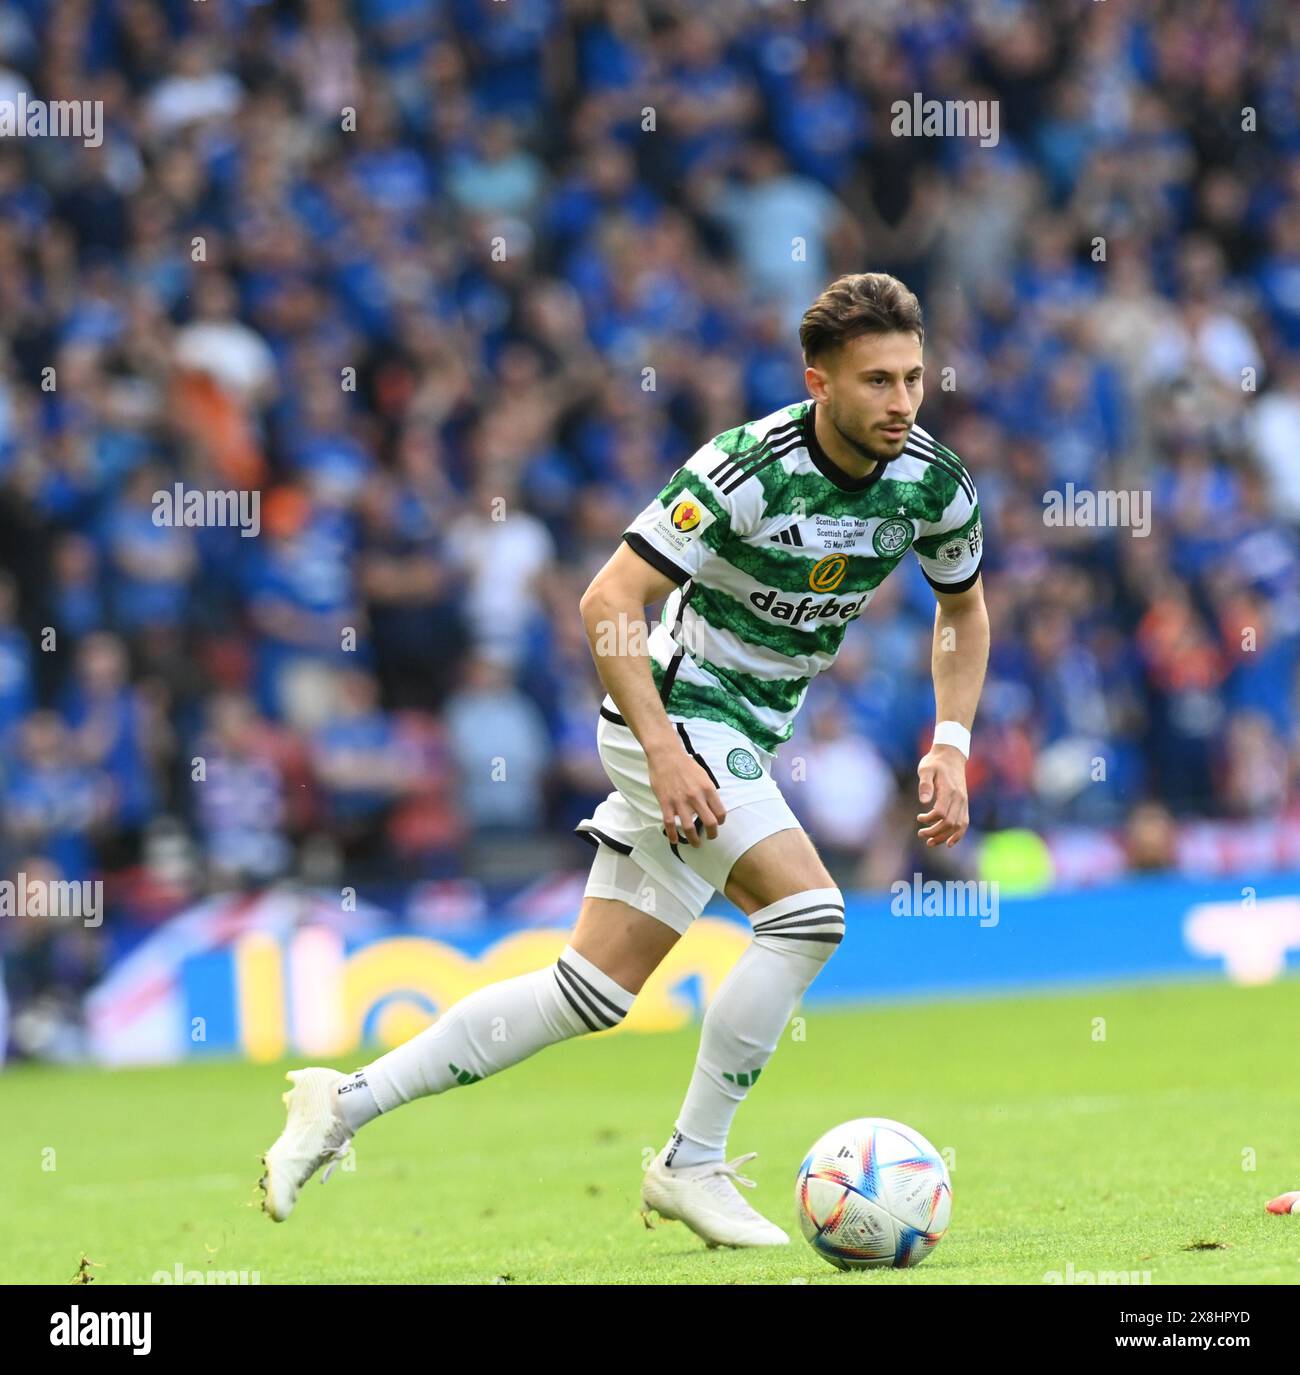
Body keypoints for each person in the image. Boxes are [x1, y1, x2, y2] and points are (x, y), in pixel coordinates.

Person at [258, 272, 990, 1249]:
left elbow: (963, 610)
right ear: (819, 383)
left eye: (912, 377)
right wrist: (662, 747)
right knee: (808, 913)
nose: (900, 402)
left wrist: (949, 738)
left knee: (589, 992)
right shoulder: (741, 468)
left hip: (742, 734)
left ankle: (339, 1104)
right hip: (674, 711)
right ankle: (692, 1160)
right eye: (876, 382)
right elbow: (607, 601)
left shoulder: (932, 481)